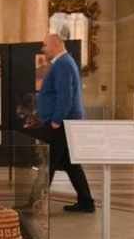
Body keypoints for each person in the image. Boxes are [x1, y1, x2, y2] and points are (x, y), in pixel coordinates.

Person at [25, 33, 95, 213]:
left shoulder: (63, 64)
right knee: (71, 164)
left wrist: (56, 120)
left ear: (56, 45)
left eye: (45, 45)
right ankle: (86, 202)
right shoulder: (63, 62)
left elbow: (65, 96)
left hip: (60, 124)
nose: (43, 49)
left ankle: (34, 203)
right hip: (62, 123)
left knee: (47, 163)